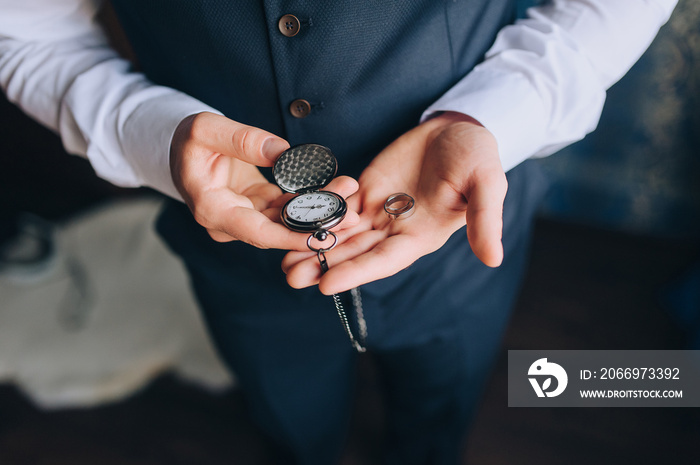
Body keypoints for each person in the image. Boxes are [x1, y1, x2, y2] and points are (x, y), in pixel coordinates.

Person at [0, 1, 677, 463]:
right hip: (239, 266)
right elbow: (26, 28)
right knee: (289, 425)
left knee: (439, 415)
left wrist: (496, 117)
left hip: (460, 237)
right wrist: (150, 130)